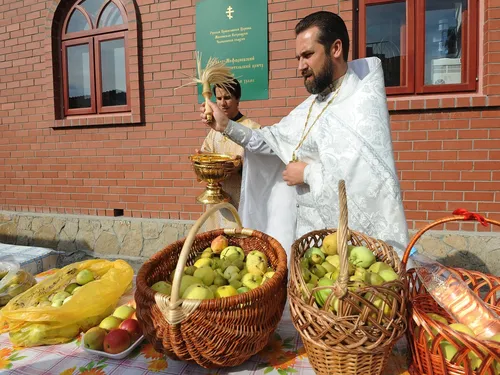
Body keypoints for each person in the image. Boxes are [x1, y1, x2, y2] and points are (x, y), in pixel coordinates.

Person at [199, 11, 409, 258]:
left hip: (346, 249)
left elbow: (368, 180)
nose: (300, 66)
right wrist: (225, 125)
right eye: (298, 58)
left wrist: (307, 172)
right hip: (307, 238)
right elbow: (270, 141)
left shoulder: (360, 104)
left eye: (308, 55)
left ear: (336, 49)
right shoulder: (312, 105)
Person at [198, 79, 260, 230]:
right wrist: (202, 160)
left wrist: (240, 170)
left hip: (241, 202)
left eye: (227, 98)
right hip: (217, 203)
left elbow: (263, 167)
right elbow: (206, 154)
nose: (222, 103)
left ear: (238, 98)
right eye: (219, 98)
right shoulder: (214, 131)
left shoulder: (252, 129)